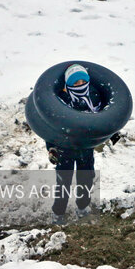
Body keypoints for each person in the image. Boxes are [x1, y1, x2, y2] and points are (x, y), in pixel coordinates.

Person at [47, 64, 101, 225]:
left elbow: (104, 120)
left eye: (82, 82)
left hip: (85, 148)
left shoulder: (94, 98)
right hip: (64, 148)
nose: (79, 85)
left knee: (86, 179)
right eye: (75, 83)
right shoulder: (60, 101)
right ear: (68, 85)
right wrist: (51, 148)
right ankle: (58, 214)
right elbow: (50, 127)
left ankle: (83, 208)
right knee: (63, 182)